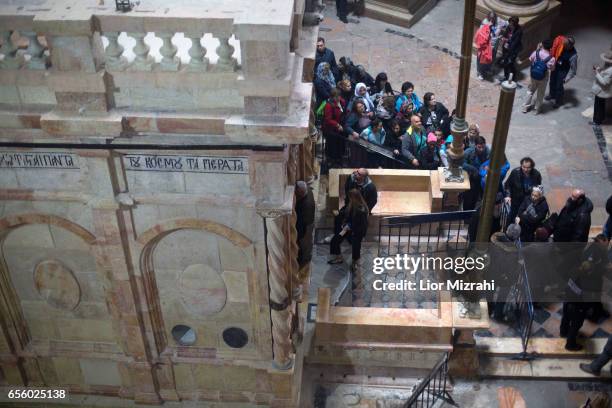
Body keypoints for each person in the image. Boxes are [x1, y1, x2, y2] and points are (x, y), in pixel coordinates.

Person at [328, 189, 369, 269]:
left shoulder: (362, 209)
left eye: (350, 197)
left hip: (357, 232)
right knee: (335, 240)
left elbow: (362, 224)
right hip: (347, 229)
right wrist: (340, 215)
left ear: (355, 198)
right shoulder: (351, 204)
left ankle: (355, 262)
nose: (349, 199)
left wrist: (350, 227)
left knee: (356, 247)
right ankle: (338, 257)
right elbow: (346, 213)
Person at [522, 39, 555, 115]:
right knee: (540, 93)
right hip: (544, 77)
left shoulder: (536, 53)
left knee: (530, 90)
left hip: (533, 75)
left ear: (542, 45)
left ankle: (525, 107)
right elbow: (552, 69)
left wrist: (537, 50)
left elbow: (530, 59)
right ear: (550, 48)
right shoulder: (551, 58)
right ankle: (536, 110)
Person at [504, 157, 543, 221]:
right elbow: (507, 185)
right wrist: (508, 196)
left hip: (528, 202)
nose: (525, 170)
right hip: (515, 200)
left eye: (528, 168)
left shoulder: (537, 174)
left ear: (532, 167)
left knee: (523, 219)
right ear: (521, 165)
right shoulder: (515, 173)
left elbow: (538, 188)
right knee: (511, 217)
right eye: (524, 167)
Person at [547, 36, 577, 108]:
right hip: (556, 67)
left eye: (565, 46)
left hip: (563, 71)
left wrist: (567, 78)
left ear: (570, 46)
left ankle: (559, 101)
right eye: (563, 44)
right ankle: (552, 95)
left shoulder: (573, 55)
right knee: (552, 81)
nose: (563, 46)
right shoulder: (562, 45)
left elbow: (573, 70)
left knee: (559, 86)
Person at [462, 136, 491, 210]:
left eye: (483, 147)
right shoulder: (469, 151)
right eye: (479, 147)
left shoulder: (488, 152)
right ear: (475, 145)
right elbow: (462, 163)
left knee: (479, 200)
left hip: (483, 179)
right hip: (471, 178)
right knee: (468, 199)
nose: (481, 149)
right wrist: (473, 169)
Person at [322, 88, 346, 166]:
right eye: (336, 97)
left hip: (340, 127)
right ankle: (332, 160)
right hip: (331, 129)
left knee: (340, 143)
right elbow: (328, 119)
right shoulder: (328, 105)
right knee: (333, 145)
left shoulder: (341, 102)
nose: (338, 98)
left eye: (339, 96)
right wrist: (337, 125)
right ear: (332, 97)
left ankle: (339, 158)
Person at [295, 181, 316, 270]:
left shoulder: (306, 204)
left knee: (303, 243)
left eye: (297, 193)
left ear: (301, 192)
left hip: (305, 225)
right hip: (306, 223)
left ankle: (302, 261)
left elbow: (305, 221)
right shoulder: (307, 188)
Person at [591, 47, 612, 126]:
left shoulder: (611, 70)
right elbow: (604, 72)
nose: (605, 61)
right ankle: (601, 118)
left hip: (602, 90)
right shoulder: (608, 66)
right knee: (601, 105)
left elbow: (604, 82)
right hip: (601, 90)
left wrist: (596, 73)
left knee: (598, 106)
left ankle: (597, 121)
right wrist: (599, 69)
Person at [499, 16, 522, 82]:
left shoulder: (519, 31)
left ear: (515, 24)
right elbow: (505, 34)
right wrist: (503, 38)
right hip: (506, 48)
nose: (510, 25)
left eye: (511, 24)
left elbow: (515, 42)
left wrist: (507, 41)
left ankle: (513, 78)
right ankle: (506, 76)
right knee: (505, 63)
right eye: (509, 23)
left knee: (511, 64)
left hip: (513, 50)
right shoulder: (508, 27)